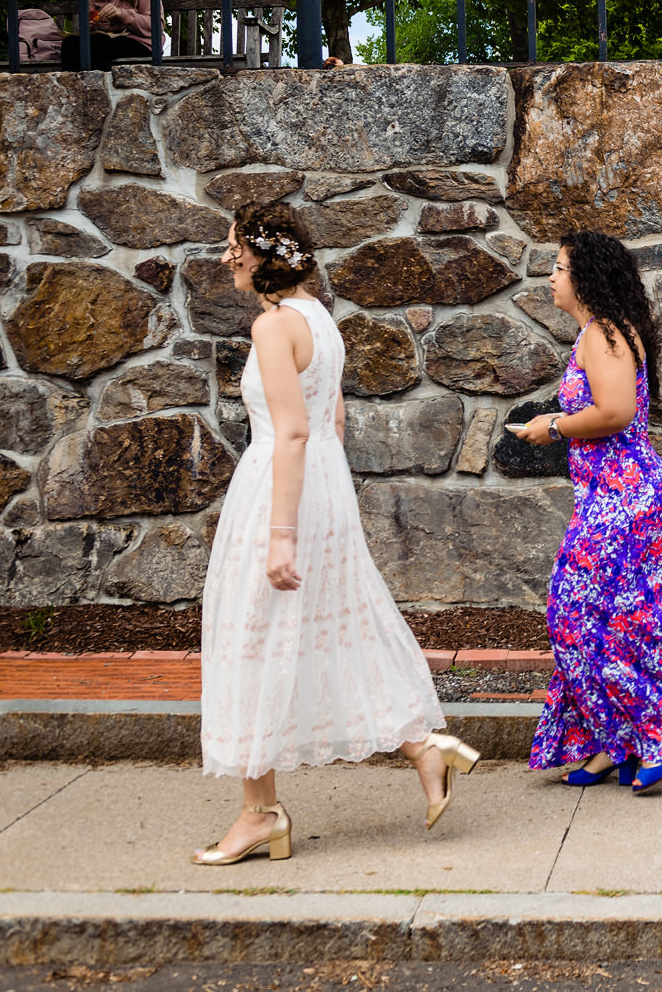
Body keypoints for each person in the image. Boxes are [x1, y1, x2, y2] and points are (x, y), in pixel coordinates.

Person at [193, 202, 478, 865]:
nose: (227, 255)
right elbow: (335, 418)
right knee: (337, 623)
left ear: (265, 256)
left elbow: (290, 430)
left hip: (282, 485)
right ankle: (422, 743)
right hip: (321, 478)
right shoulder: (320, 319)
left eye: (236, 245)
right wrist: (325, 504)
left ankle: (259, 812)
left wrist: (282, 533)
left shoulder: (274, 328)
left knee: (249, 635)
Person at [514, 230, 662, 793]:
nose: (551, 277)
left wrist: (550, 426)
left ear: (586, 278)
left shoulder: (602, 333)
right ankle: (612, 742)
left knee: (603, 615)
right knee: (588, 618)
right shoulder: (600, 334)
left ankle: (658, 730)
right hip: (611, 496)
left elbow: (617, 411)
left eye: (559, 266)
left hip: (628, 500)